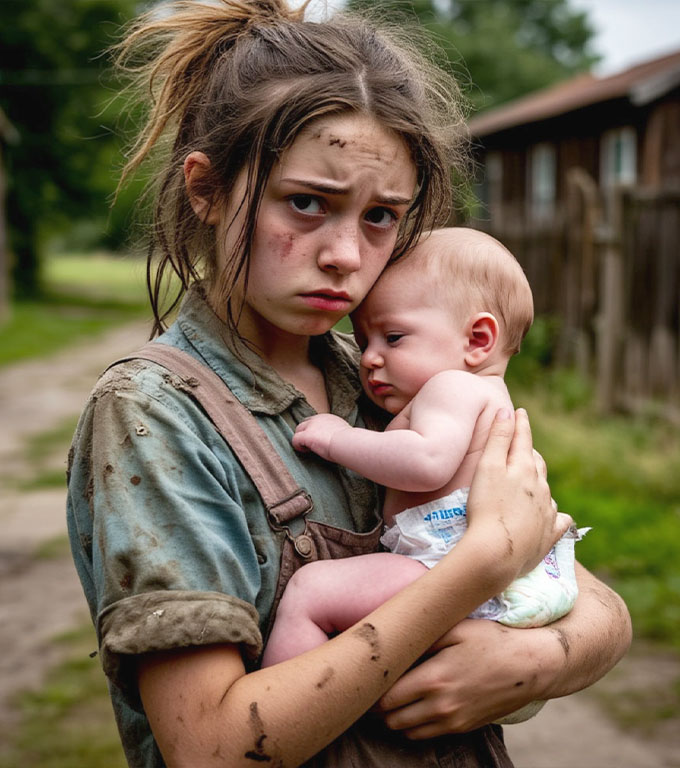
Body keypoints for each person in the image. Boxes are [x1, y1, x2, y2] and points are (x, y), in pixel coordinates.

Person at [65, 2, 631, 767]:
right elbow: (212, 749)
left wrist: (538, 659)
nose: (344, 254)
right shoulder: (153, 416)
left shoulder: (384, 375)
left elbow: (598, 605)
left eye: (380, 216)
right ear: (207, 188)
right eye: (307, 203)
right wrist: (477, 570)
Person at [263, 228, 588, 725]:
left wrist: (336, 439)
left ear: (478, 340)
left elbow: (425, 461)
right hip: (496, 569)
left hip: (448, 562)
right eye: (364, 337)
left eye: (392, 337)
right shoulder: (480, 394)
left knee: (310, 593)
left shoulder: (452, 387)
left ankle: (288, 719)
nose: (369, 357)